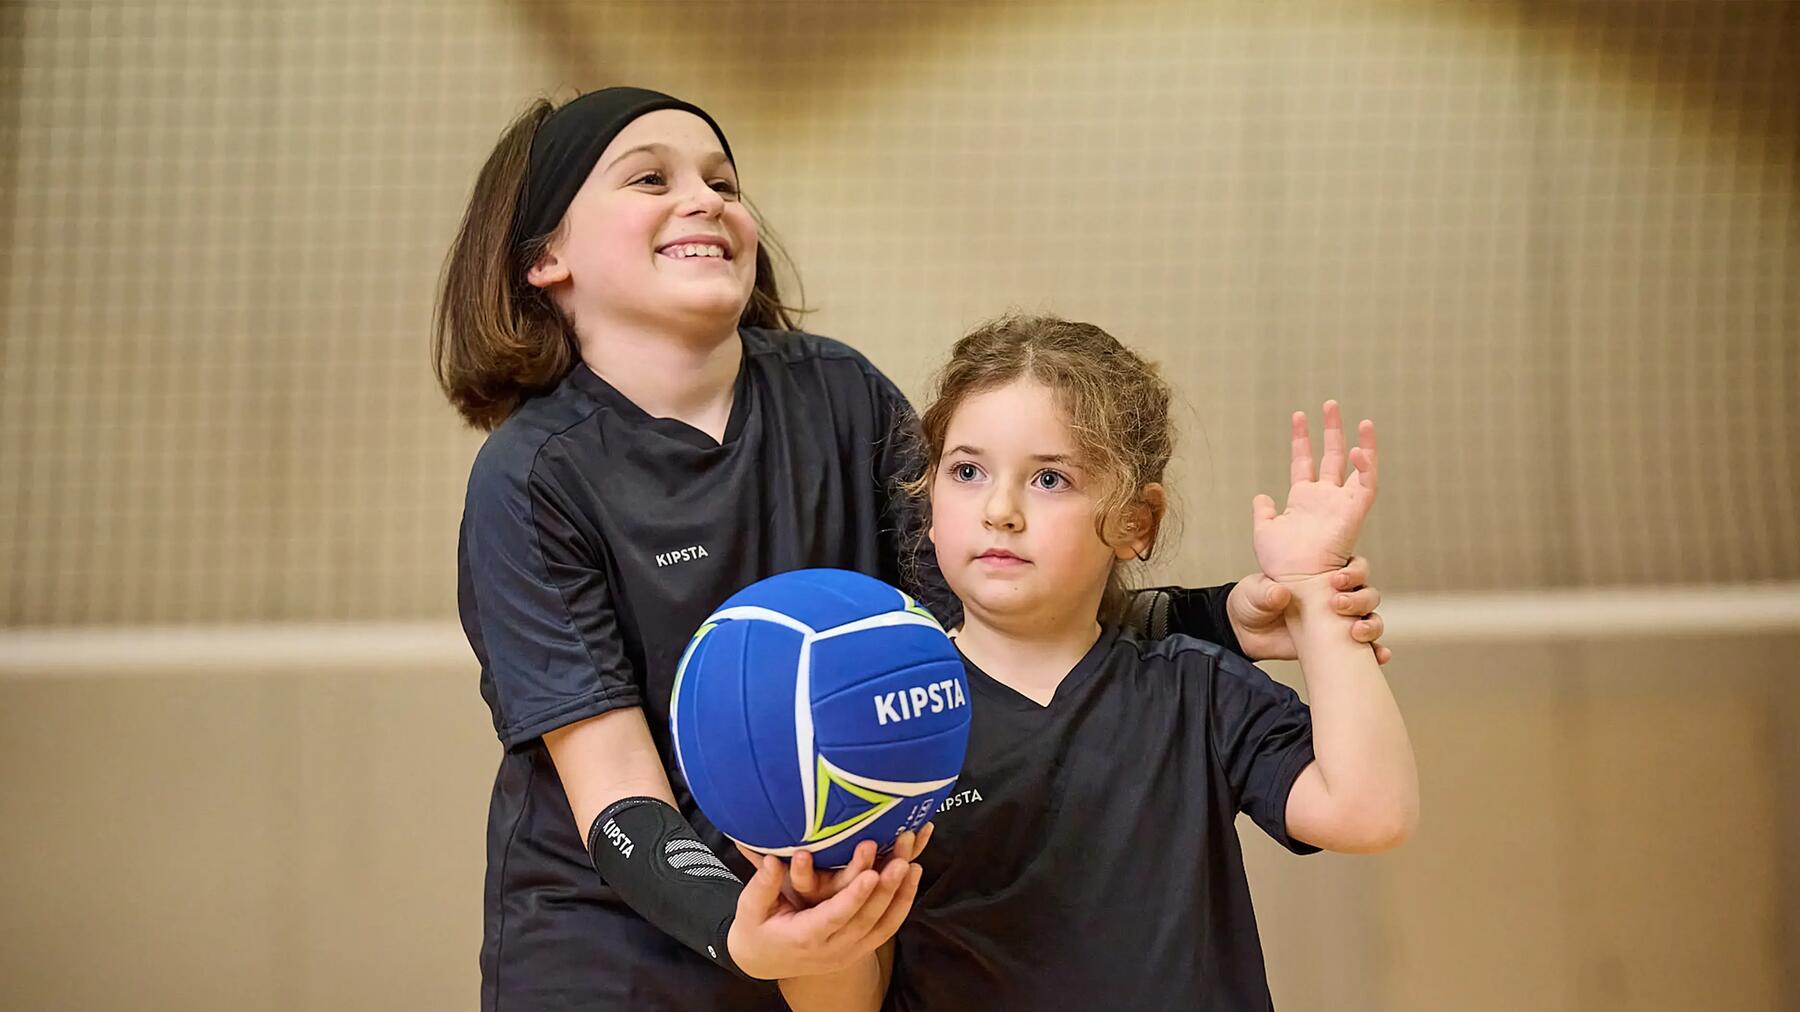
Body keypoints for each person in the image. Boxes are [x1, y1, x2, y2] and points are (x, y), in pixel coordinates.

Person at [433, 88, 1392, 1011]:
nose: (705, 200)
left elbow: (976, 600)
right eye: (651, 178)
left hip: (833, 919)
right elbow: (616, 798)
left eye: (723, 181)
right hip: (626, 950)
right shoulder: (531, 479)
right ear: (544, 256)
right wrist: (743, 931)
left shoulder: (841, 394)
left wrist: (1212, 613)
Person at [778, 315, 1419, 1011]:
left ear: (1136, 524)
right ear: (928, 503)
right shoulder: (880, 730)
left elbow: (1370, 813)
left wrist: (1318, 595)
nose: (1000, 509)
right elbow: (841, 1003)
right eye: (967, 471)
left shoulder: (1194, 690)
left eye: (1049, 479)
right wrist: (819, 928)